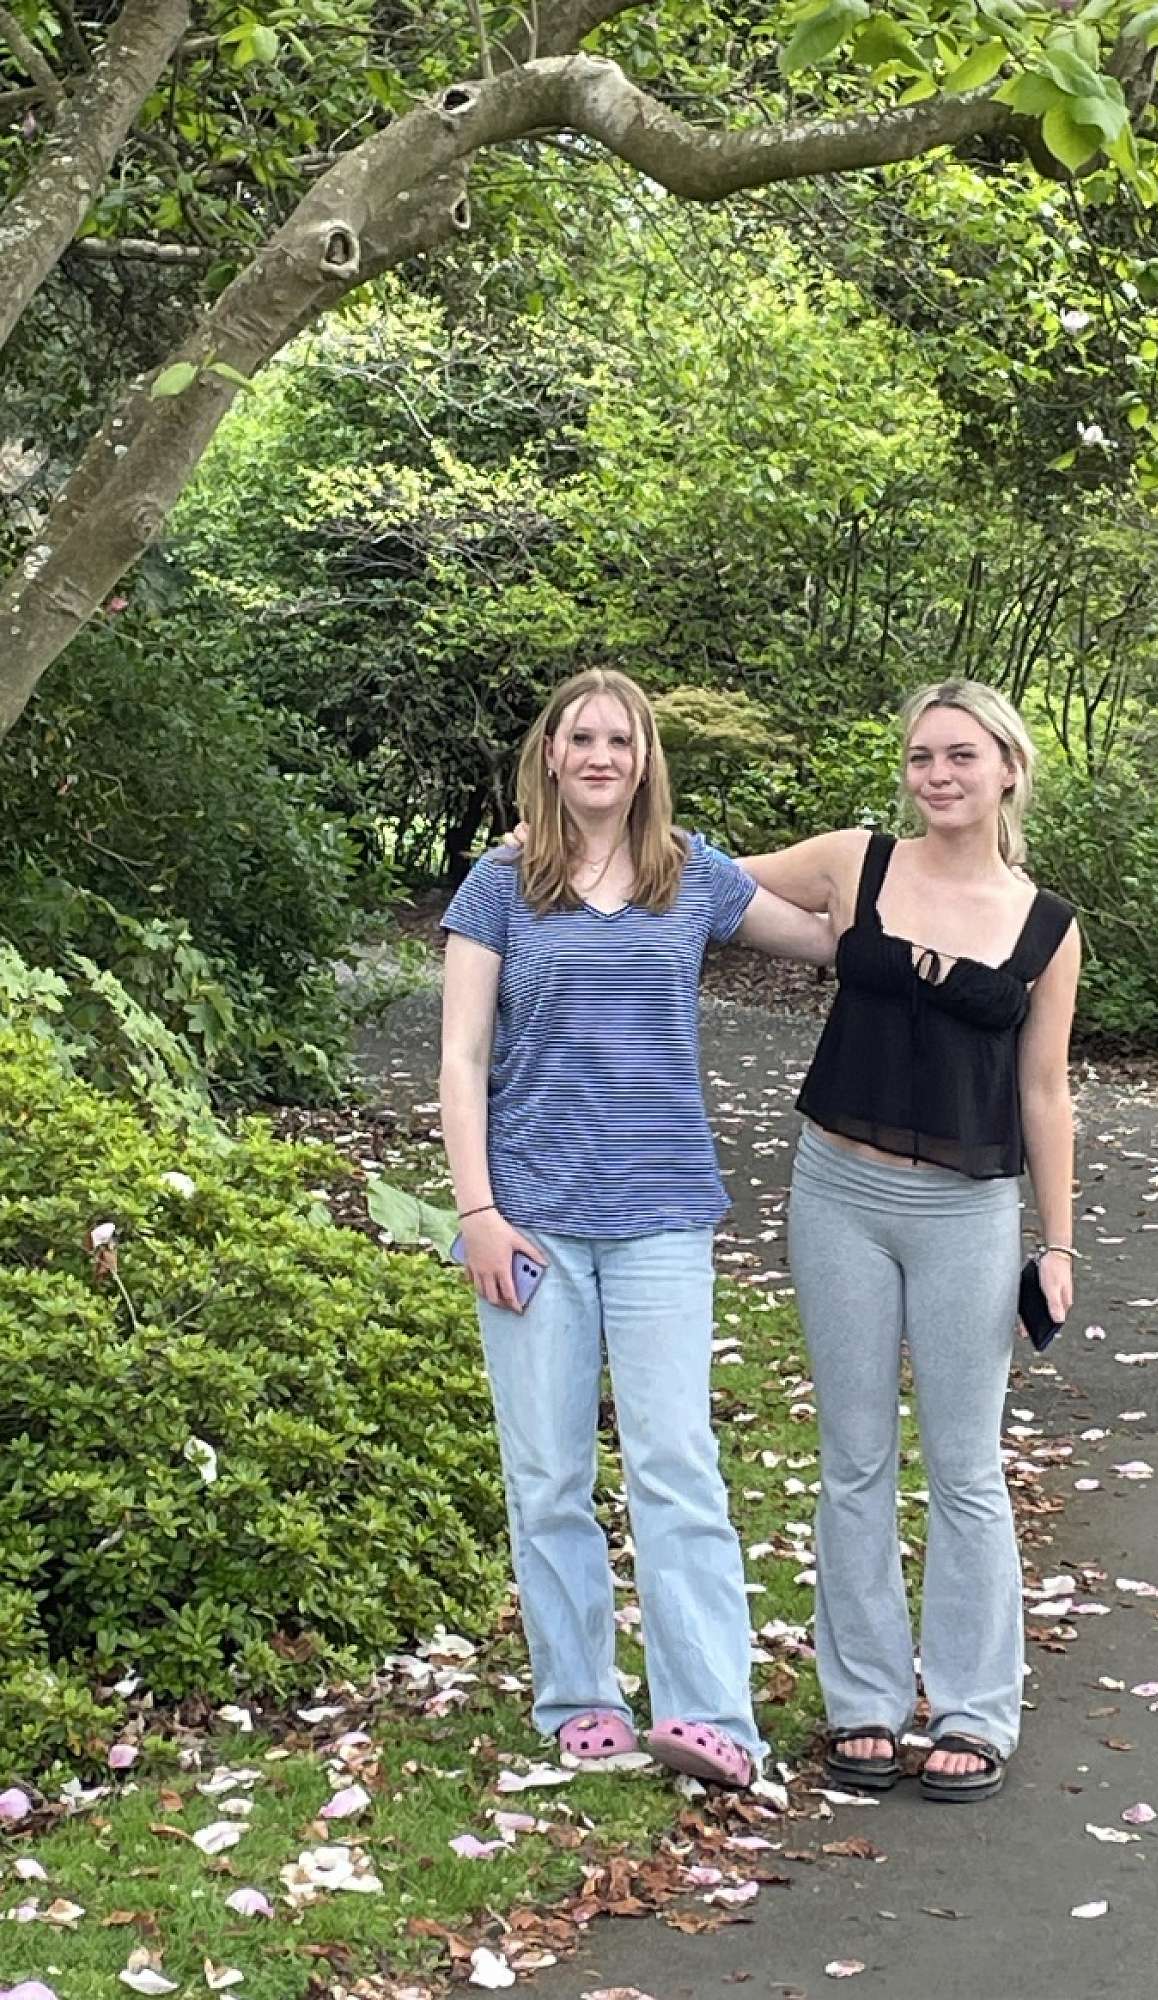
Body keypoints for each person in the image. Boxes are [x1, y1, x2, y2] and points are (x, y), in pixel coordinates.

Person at [439, 667, 834, 1789]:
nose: (601, 755)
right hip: (530, 1219)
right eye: (582, 738)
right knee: (548, 1473)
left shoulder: (689, 876)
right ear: (551, 755)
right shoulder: (501, 883)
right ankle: (579, 1701)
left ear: (646, 757)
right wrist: (477, 1212)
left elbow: (828, 937)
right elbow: (461, 1057)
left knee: (675, 1463)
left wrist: (899, 866)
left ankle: (711, 1716)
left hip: (662, 1213)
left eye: (621, 739)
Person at [739, 678, 1080, 1803]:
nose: (938, 774)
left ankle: (975, 1710)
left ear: (1008, 769)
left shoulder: (1046, 925)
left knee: (967, 1468)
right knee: (853, 1460)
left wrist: (1058, 1243)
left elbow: (1044, 1090)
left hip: (967, 1214)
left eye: (961, 755)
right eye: (922, 757)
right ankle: (865, 1702)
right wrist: (565, 839)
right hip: (836, 1191)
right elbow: (706, 877)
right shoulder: (859, 863)